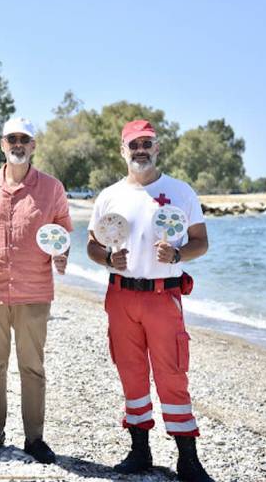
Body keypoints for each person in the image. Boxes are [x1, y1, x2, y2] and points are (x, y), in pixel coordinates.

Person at [87, 120, 212, 481]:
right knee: (131, 372)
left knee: (172, 373)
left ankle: (188, 459)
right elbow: (93, 245)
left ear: (157, 148)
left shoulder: (180, 191)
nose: (140, 150)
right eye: (133, 145)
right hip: (121, 295)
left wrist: (178, 256)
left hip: (163, 296)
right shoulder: (109, 195)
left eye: (147, 144)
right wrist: (109, 259)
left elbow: (201, 242)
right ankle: (139, 451)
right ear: (123, 151)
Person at [0, 117, 72, 464]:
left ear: (34, 145)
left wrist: (62, 255)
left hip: (34, 292)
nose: (18, 144)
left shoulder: (52, 188)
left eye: (25, 139)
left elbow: (63, 233)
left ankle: (34, 438)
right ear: (2, 144)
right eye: (12, 139)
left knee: (32, 367)